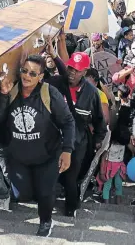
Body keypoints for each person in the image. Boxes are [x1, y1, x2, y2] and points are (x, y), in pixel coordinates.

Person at [0, 55, 75, 237]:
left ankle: (45, 222)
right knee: (22, 194)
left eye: (33, 73)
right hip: (18, 157)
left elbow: (67, 121)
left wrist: (67, 150)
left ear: (41, 76)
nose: (27, 76)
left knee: (45, 191)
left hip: (47, 156)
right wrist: (3, 95)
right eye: (24, 71)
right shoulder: (11, 91)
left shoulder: (49, 93)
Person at [47, 52, 107, 217]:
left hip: (78, 142)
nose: (72, 72)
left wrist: (96, 141)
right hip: (55, 139)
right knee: (51, 173)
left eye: (77, 70)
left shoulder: (92, 93)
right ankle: (47, 207)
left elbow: (99, 120)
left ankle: (71, 208)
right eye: (71, 68)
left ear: (85, 72)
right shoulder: (58, 84)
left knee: (71, 177)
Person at [97, 134, 126, 204]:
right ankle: (107, 204)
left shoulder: (123, 142)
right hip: (109, 167)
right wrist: (102, 172)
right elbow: (103, 157)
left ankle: (116, 203)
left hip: (118, 165)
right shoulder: (109, 145)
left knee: (118, 184)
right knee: (108, 184)